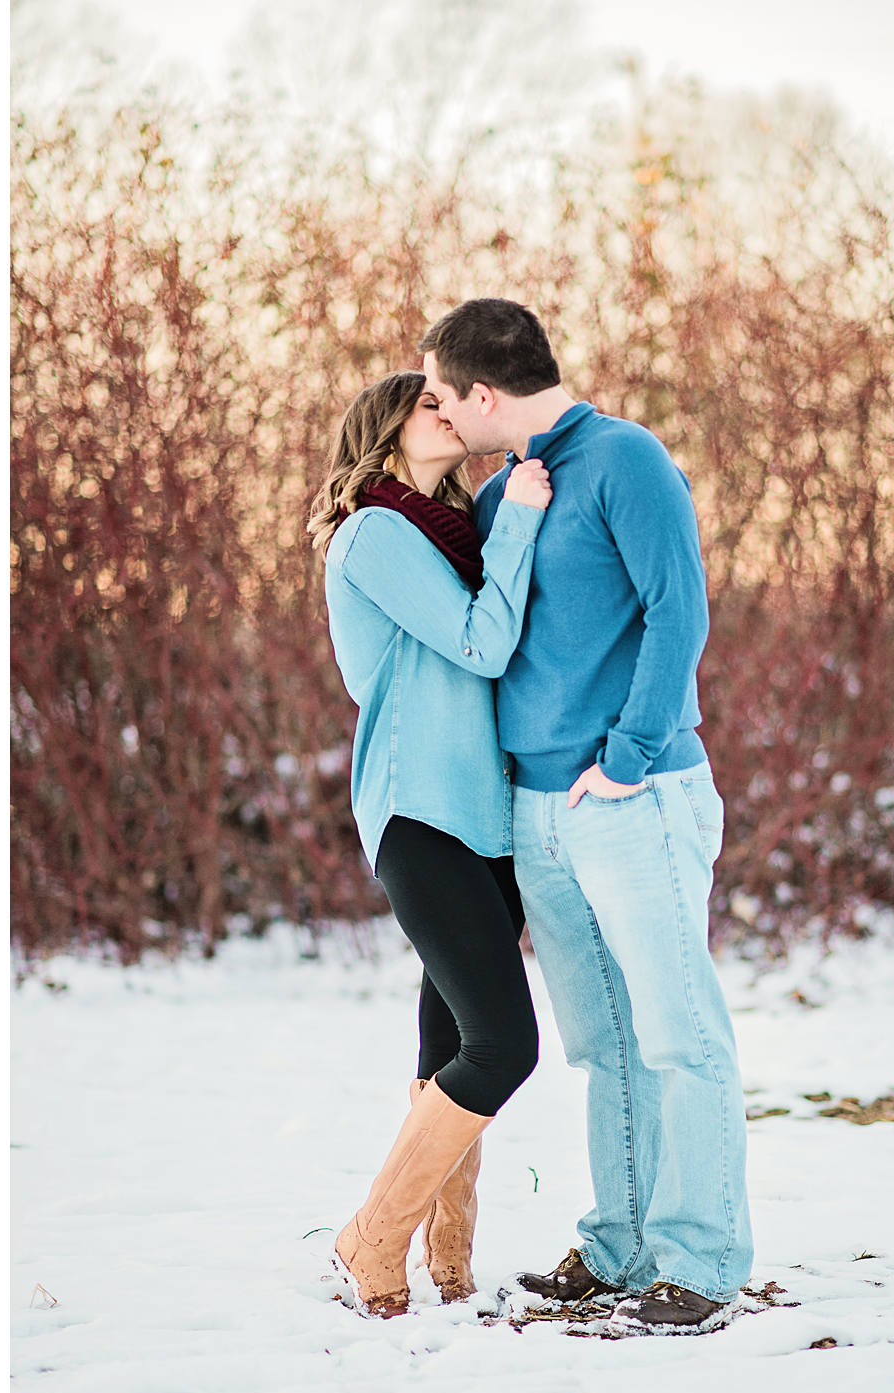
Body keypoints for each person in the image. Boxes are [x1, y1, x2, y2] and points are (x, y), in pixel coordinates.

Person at [419, 298, 746, 1337]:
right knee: (601, 1046)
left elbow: (676, 608)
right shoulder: (500, 492)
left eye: (440, 394)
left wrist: (630, 756)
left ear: (482, 395)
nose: (437, 410)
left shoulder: (627, 461)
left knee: (678, 1036)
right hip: (537, 806)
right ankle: (619, 1248)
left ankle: (701, 1262)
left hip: (631, 795)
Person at [309, 369, 552, 1317]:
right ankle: (372, 1234)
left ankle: (447, 1264)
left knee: (450, 1043)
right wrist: (523, 520)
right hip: (423, 812)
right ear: (384, 432)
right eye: (428, 405)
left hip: (485, 816)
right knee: (503, 1045)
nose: (449, 412)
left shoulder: (447, 534)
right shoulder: (376, 534)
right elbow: (482, 647)